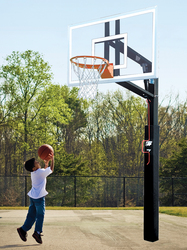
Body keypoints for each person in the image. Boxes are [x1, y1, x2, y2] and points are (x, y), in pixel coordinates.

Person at [17, 153, 54, 244]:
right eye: (36, 162)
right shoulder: (40, 173)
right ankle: (37, 232)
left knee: (31, 215)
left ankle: (23, 229)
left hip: (33, 197)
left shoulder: (34, 173)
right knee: (40, 216)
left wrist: (46, 164)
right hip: (39, 197)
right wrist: (53, 159)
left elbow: (44, 171)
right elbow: (51, 170)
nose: (38, 162)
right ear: (34, 167)